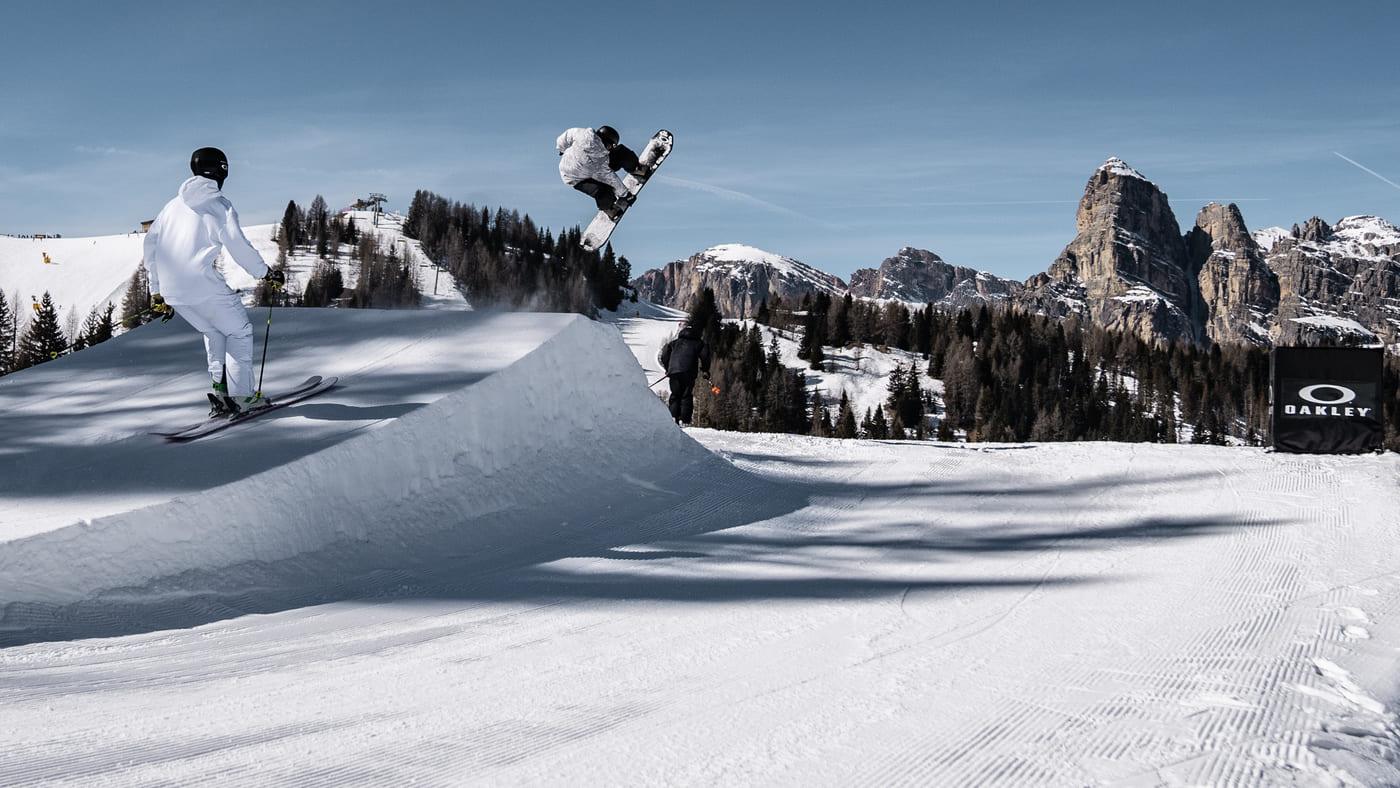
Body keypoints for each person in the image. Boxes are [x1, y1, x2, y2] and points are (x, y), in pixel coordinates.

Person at [142, 147, 286, 416]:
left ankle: (221, 395)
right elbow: (238, 245)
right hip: (202, 283)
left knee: (214, 332)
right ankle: (242, 397)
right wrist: (265, 273)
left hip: (173, 291)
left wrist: (157, 291)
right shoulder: (219, 205)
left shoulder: (171, 207)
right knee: (239, 331)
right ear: (222, 170)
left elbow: (150, 246)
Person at [557, 125, 646, 218]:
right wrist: (626, 195)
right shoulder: (598, 161)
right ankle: (609, 208)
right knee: (603, 192)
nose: (611, 149)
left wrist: (561, 148)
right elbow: (610, 178)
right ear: (607, 144)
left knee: (619, 153)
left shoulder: (583, 134)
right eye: (611, 146)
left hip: (569, 167)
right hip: (577, 179)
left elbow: (567, 136)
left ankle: (635, 168)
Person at [657, 320, 711, 426]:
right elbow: (705, 356)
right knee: (686, 395)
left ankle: (673, 418)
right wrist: (705, 370)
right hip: (689, 372)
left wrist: (668, 369)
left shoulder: (674, 343)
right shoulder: (699, 343)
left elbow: (664, 355)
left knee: (675, 395)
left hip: (674, 372)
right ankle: (684, 420)